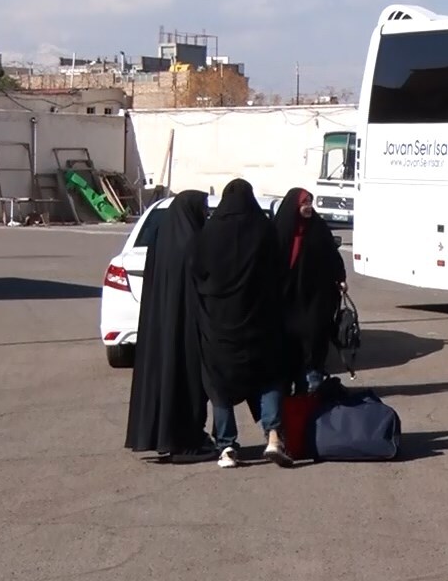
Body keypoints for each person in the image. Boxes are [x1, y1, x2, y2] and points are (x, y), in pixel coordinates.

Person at [191, 179, 292, 468]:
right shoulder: (263, 230)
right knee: (269, 376)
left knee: (218, 382)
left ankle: (227, 447)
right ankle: (273, 437)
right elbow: (280, 271)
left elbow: (197, 272)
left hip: (219, 325)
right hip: (261, 321)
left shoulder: (209, 233)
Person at [124, 190, 213, 461]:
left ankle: (162, 437)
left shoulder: (161, 240)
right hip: (186, 329)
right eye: (203, 209)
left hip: (159, 327)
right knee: (187, 383)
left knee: (162, 380)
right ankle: (184, 442)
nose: (206, 214)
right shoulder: (194, 242)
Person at [272, 187, 345, 392]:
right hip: (286, 299)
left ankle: (313, 387)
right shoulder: (280, 229)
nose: (308, 207)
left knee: (314, 339)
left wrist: (340, 277)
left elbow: (333, 256)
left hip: (315, 298)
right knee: (287, 345)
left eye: (310, 203)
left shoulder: (318, 228)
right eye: (304, 203)